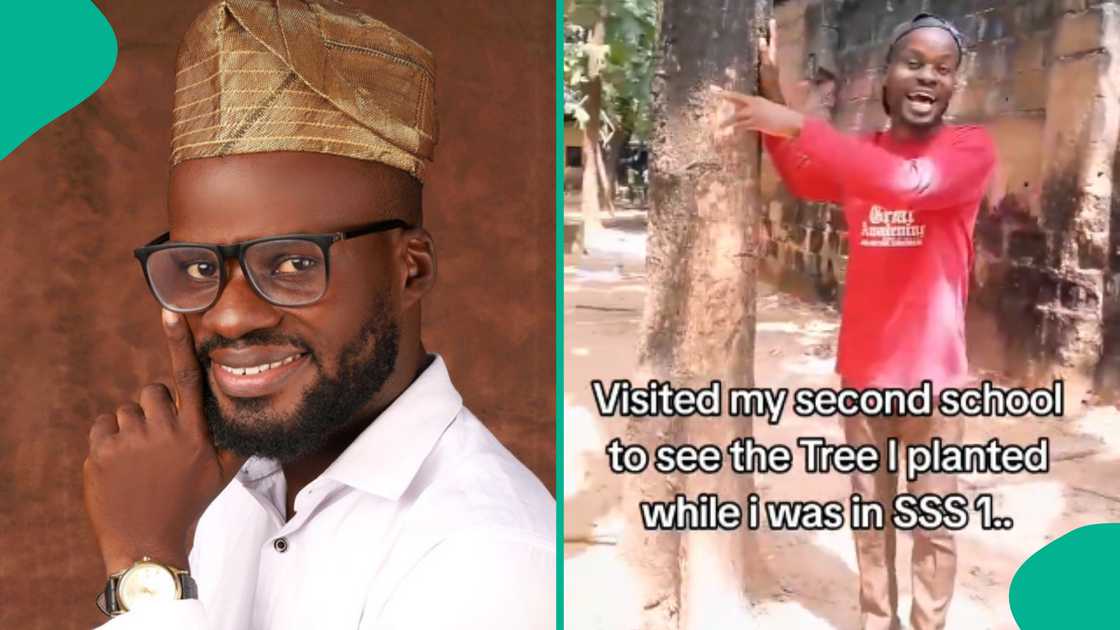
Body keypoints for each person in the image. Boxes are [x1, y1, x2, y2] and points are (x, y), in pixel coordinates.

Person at [81, 1, 555, 628]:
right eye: (200, 269)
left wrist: (146, 566)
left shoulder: (485, 553)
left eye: (291, 264)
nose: (229, 318)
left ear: (410, 268)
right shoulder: (215, 490)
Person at [716, 13, 996, 630]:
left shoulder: (968, 149)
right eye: (914, 63)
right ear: (887, 77)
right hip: (864, 375)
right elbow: (800, 170)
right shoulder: (861, 153)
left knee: (934, 525)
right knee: (871, 519)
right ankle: (877, 621)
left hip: (934, 382)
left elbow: (908, 185)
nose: (928, 77)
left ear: (954, 86)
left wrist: (796, 122)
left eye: (943, 70)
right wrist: (771, 92)